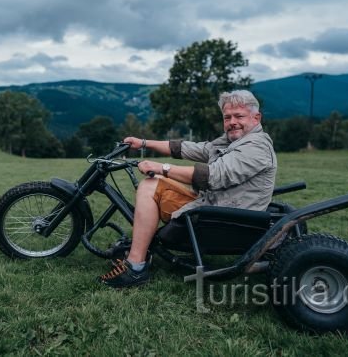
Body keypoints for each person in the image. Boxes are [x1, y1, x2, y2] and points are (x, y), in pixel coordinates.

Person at [98, 89, 277, 288]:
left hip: (223, 220)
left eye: (239, 116)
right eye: (227, 117)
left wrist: (162, 167)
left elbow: (213, 176)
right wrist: (144, 143)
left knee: (151, 185)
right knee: (153, 183)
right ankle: (142, 249)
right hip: (216, 207)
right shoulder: (234, 140)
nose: (232, 121)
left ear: (256, 117)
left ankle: (135, 267)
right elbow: (191, 148)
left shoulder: (256, 146)